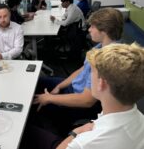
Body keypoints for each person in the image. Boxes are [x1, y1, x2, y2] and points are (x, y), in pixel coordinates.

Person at [32, 8, 124, 136]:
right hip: (74, 88)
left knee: (35, 107)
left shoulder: (107, 60)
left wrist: (49, 98)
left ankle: (55, 135)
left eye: (93, 26)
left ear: (105, 30)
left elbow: (87, 101)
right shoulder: (100, 47)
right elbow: (82, 70)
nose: (89, 29)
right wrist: (59, 86)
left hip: (80, 102)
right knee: (37, 82)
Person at [57, 43, 144, 149]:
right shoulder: (140, 119)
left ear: (101, 83)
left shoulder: (85, 144)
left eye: (91, 72)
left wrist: (75, 132)